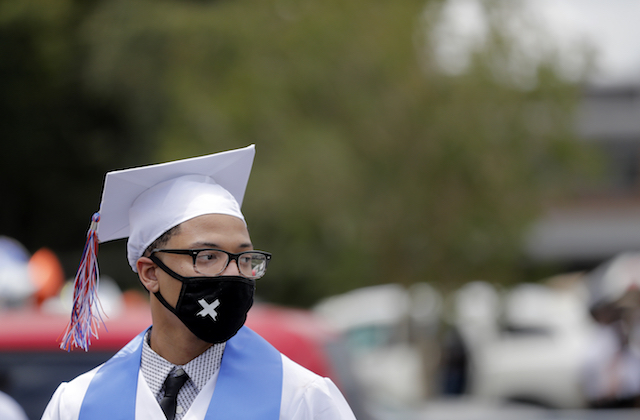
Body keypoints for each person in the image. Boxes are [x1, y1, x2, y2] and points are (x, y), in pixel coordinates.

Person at [41, 145, 357, 420]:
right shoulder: (78, 407)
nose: (233, 274)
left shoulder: (300, 401)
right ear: (150, 273)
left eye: (244, 259)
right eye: (208, 256)